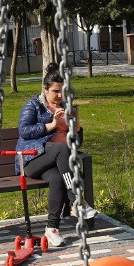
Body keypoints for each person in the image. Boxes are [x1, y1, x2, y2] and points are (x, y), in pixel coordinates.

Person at [15, 64, 95, 248]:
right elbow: (24, 131)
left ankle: (52, 229)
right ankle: (76, 201)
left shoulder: (66, 107)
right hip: (31, 158)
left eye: (62, 91)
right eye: (55, 91)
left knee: (58, 177)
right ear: (45, 89)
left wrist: (77, 128)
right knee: (61, 150)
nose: (59, 95)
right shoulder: (33, 105)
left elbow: (75, 143)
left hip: (57, 162)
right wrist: (50, 126)